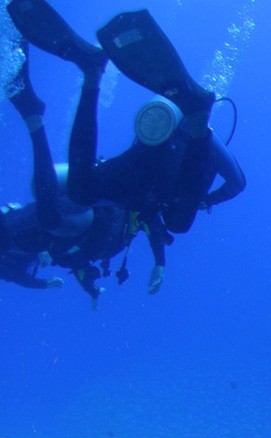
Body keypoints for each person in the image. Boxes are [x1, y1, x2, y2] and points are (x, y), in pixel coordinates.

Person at [6, 0, 246, 294]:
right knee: (177, 221)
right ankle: (96, 74)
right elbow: (237, 182)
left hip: (140, 177)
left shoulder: (204, 142)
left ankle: (92, 73)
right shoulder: (210, 142)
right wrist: (208, 201)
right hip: (152, 180)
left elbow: (231, 184)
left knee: (82, 190)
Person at [1, 48, 165, 302]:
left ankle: (33, 112)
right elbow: (151, 221)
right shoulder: (138, 211)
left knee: (48, 211)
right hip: (79, 214)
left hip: (69, 219)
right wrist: (160, 262)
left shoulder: (129, 224)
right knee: (50, 216)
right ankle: (33, 114)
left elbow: (74, 258)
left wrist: (89, 288)